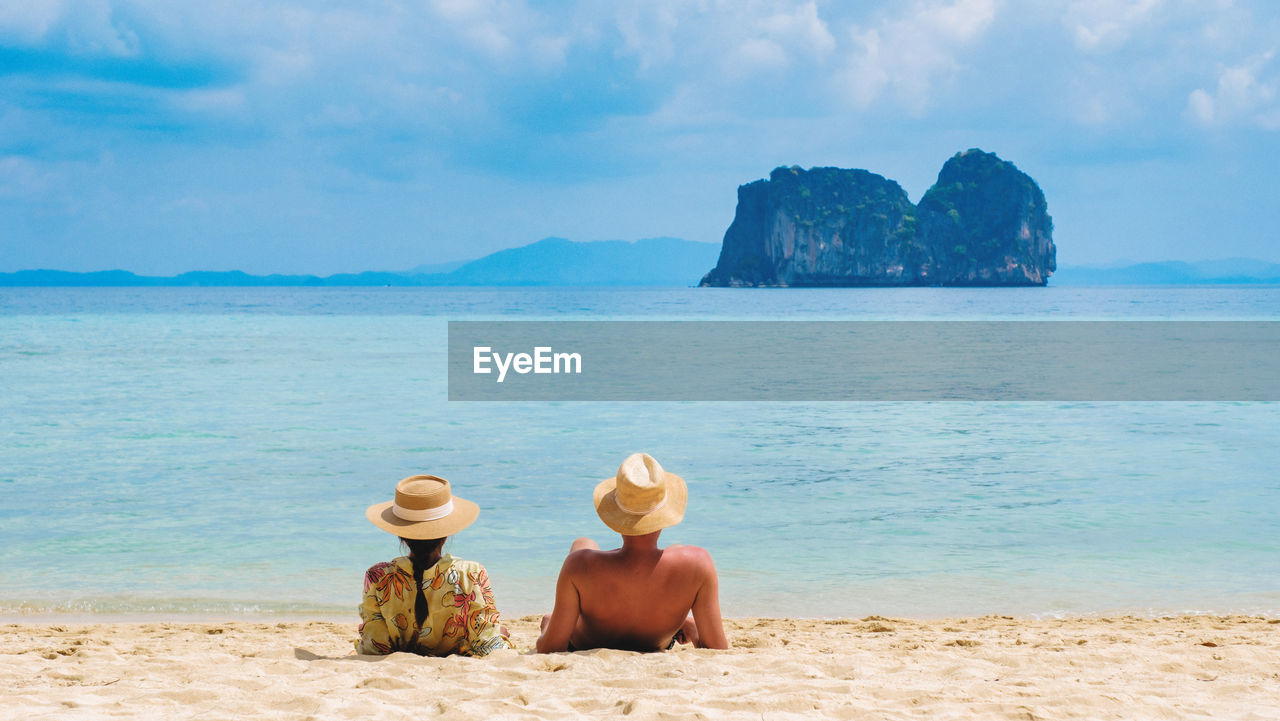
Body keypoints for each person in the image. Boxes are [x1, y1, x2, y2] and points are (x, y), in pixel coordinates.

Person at [536, 453, 728, 653]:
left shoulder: (577, 566)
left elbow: (550, 648)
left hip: (587, 642)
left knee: (583, 543)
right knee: (678, 551)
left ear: (617, 517)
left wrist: (549, 626)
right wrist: (695, 634)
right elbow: (718, 649)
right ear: (663, 515)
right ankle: (681, 624)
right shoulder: (699, 564)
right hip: (656, 640)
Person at [356, 474, 513, 656]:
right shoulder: (471, 573)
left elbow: (374, 647)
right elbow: (489, 647)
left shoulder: (378, 576)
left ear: (401, 536)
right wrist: (501, 635)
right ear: (446, 535)